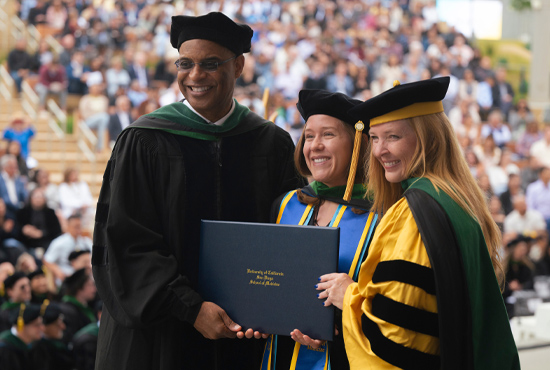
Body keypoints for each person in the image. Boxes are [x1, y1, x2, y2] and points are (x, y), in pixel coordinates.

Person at [92, 12, 304, 370]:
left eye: (210, 64)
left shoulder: (272, 143)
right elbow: (126, 242)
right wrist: (190, 309)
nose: (194, 76)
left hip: (246, 332)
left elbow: (286, 235)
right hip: (162, 335)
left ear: (238, 66)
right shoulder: (145, 140)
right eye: (185, 63)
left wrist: (269, 303)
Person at [317, 78, 519, 369]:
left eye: (393, 137)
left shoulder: (412, 214)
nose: (378, 151)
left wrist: (348, 295)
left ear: (429, 139)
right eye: (374, 138)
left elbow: (398, 339)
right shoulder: (456, 200)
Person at [260, 90, 378, 370]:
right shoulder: (287, 204)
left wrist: (334, 323)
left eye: (328, 135)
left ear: (357, 144)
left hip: (344, 358)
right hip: (280, 353)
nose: (315, 146)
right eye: (309, 136)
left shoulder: (381, 215)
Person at [43, 214, 92, 283]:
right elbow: (47, 260)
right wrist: (58, 271)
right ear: (68, 227)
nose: (78, 229)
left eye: (80, 226)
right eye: (76, 227)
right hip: (66, 277)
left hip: (85, 276)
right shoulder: (59, 242)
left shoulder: (86, 242)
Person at [29, 301, 74, 370]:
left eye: (62, 321)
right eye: (57, 325)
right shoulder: (39, 350)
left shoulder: (64, 338)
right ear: (44, 327)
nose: (63, 327)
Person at [58, 268, 97, 346]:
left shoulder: (87, 307)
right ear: (79, 288)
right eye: (90, 285)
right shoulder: (68, 310)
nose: (94, 289)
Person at [0, 303, 44, 370]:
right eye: (37, 325)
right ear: (22, 326)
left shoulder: (34, 345)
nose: (42, 328)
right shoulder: (5, 349)